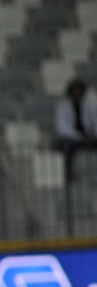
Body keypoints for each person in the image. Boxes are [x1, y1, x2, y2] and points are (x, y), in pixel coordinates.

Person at [54, 78, 97, 236]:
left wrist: (91, 135)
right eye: (74, 91)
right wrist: (80, 136)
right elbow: (62, 128)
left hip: (87, 138)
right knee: (67, 147)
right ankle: (69, 173)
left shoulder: (89, 104)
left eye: (79, 91)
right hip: (71, 139)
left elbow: (94, 122)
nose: (77, 94)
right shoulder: (63, 106)